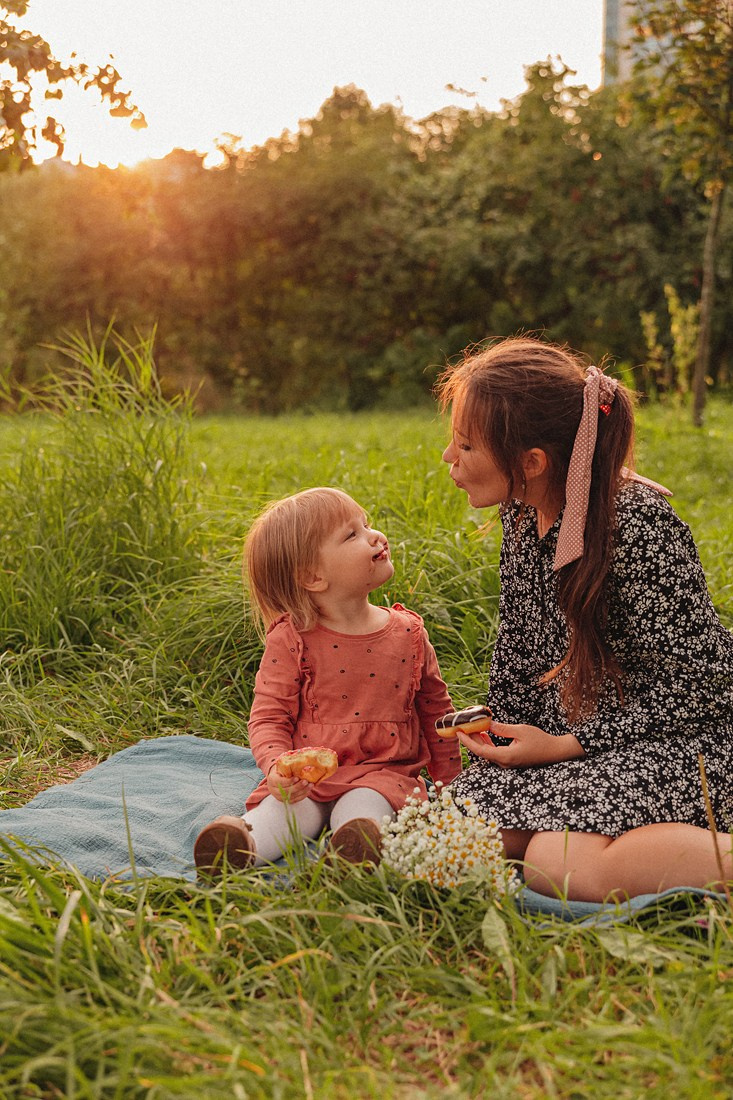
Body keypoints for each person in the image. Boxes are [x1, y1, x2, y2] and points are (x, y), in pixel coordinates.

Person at [438, 335, 733, 903]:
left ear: (532, 462)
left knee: (557, 864)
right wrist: (506, 735)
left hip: (687, 736)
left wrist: (566, 745)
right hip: (594, 737)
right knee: (461, 829)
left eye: (465, 445)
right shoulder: (525, 514)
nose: (449, 458)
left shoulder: (640, 527)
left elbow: (700, 683)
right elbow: (522, 646)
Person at [193, 487, 461, 875]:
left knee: (366, 808)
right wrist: (277, 768)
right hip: (309, 778)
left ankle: (354, 849)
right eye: (352, 534)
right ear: (313, 576)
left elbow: (437, 715)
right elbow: (269, 717)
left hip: (384, 773)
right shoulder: (292, 638)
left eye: (366, 524)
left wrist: (450, 787)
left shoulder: (409, 635)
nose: (375, 536)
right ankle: (240, 845)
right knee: (286, 813)